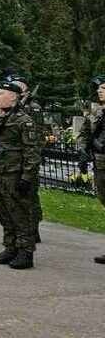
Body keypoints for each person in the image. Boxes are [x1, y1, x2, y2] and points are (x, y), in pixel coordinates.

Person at [0, 79, 40, 269]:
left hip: (14, 174)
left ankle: (25, 252)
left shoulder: (23, 120)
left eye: (0, 93)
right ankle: (10, 247)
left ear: (13, 98)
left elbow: (32, 152)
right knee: (3, 212)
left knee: (21, 214)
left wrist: (27, 177)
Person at [10, 73, 45, 243]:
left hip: (29, 157)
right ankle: (22, 231)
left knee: (31, 196)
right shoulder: (12, 107)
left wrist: (33, 159)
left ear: (25, 88)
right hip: (14, 159)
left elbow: (36, 135)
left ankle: (34, 229)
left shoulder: (33, 107)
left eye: (18, 84)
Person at [76, 74, 105, 264]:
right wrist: (82, 150)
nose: (99, 91)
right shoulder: (97, 113)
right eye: (99, 88)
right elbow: (84, 133)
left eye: (103, 87)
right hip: (100, 163)